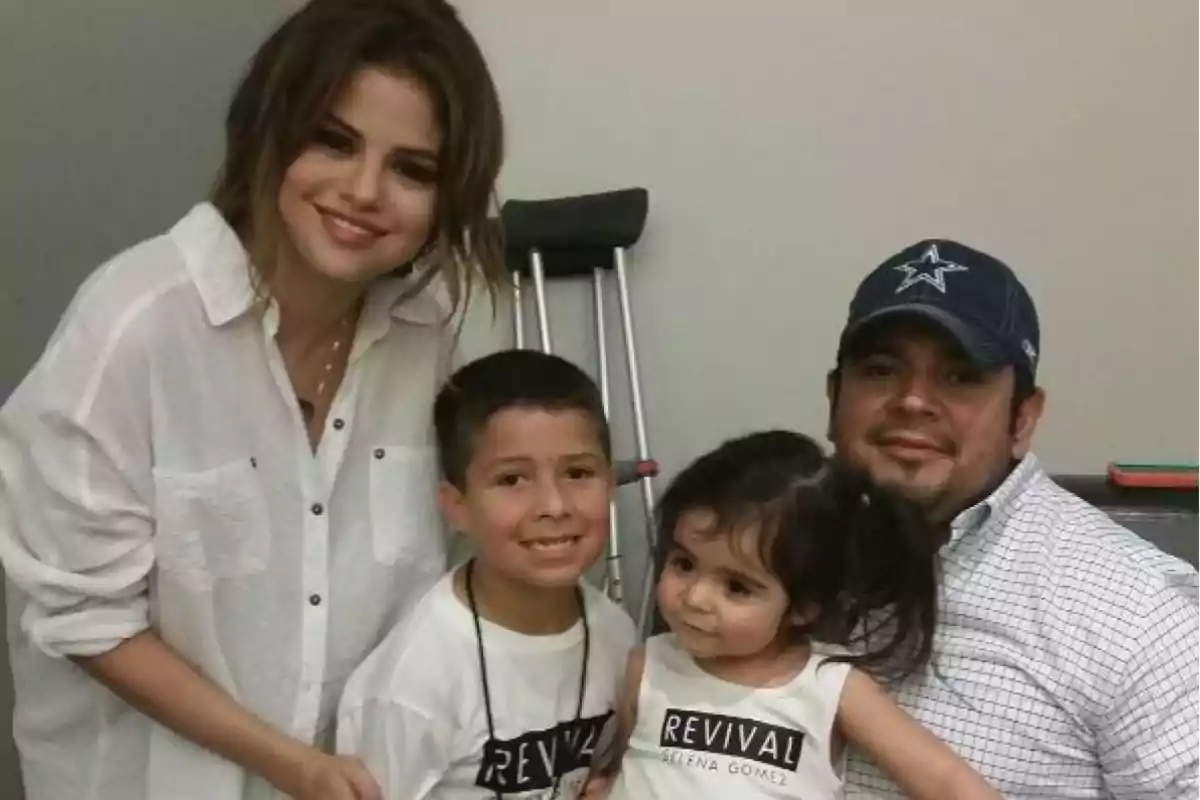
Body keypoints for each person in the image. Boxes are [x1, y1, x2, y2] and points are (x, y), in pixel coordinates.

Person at [0, 1, 505, 798]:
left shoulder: (426, 340)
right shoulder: (135, 325)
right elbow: (85, 620)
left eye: (414, 169)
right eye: (333, 141)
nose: (365, 190)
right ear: (267, 131)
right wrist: (291, 765)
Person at [827, 239, 1199, 798]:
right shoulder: (763, 548)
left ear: (1023, 418)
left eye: (960, 377)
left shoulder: (1143, 615)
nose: (912, 401)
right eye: (881, 370)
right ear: (834, 397)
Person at [582, 429, 1004, 799]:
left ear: (804, 606)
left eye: (737, 587)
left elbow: (947, 782)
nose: (695, 598)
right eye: (684, 563)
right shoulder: (648, 665)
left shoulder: (830, 686)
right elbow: (626, 770)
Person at [335, 348, 638, 799]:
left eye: (578, 473)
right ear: (457, 507)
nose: (554, 506)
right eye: (513, 480)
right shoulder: (414, 682)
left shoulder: (615, 632)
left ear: (610, 486)